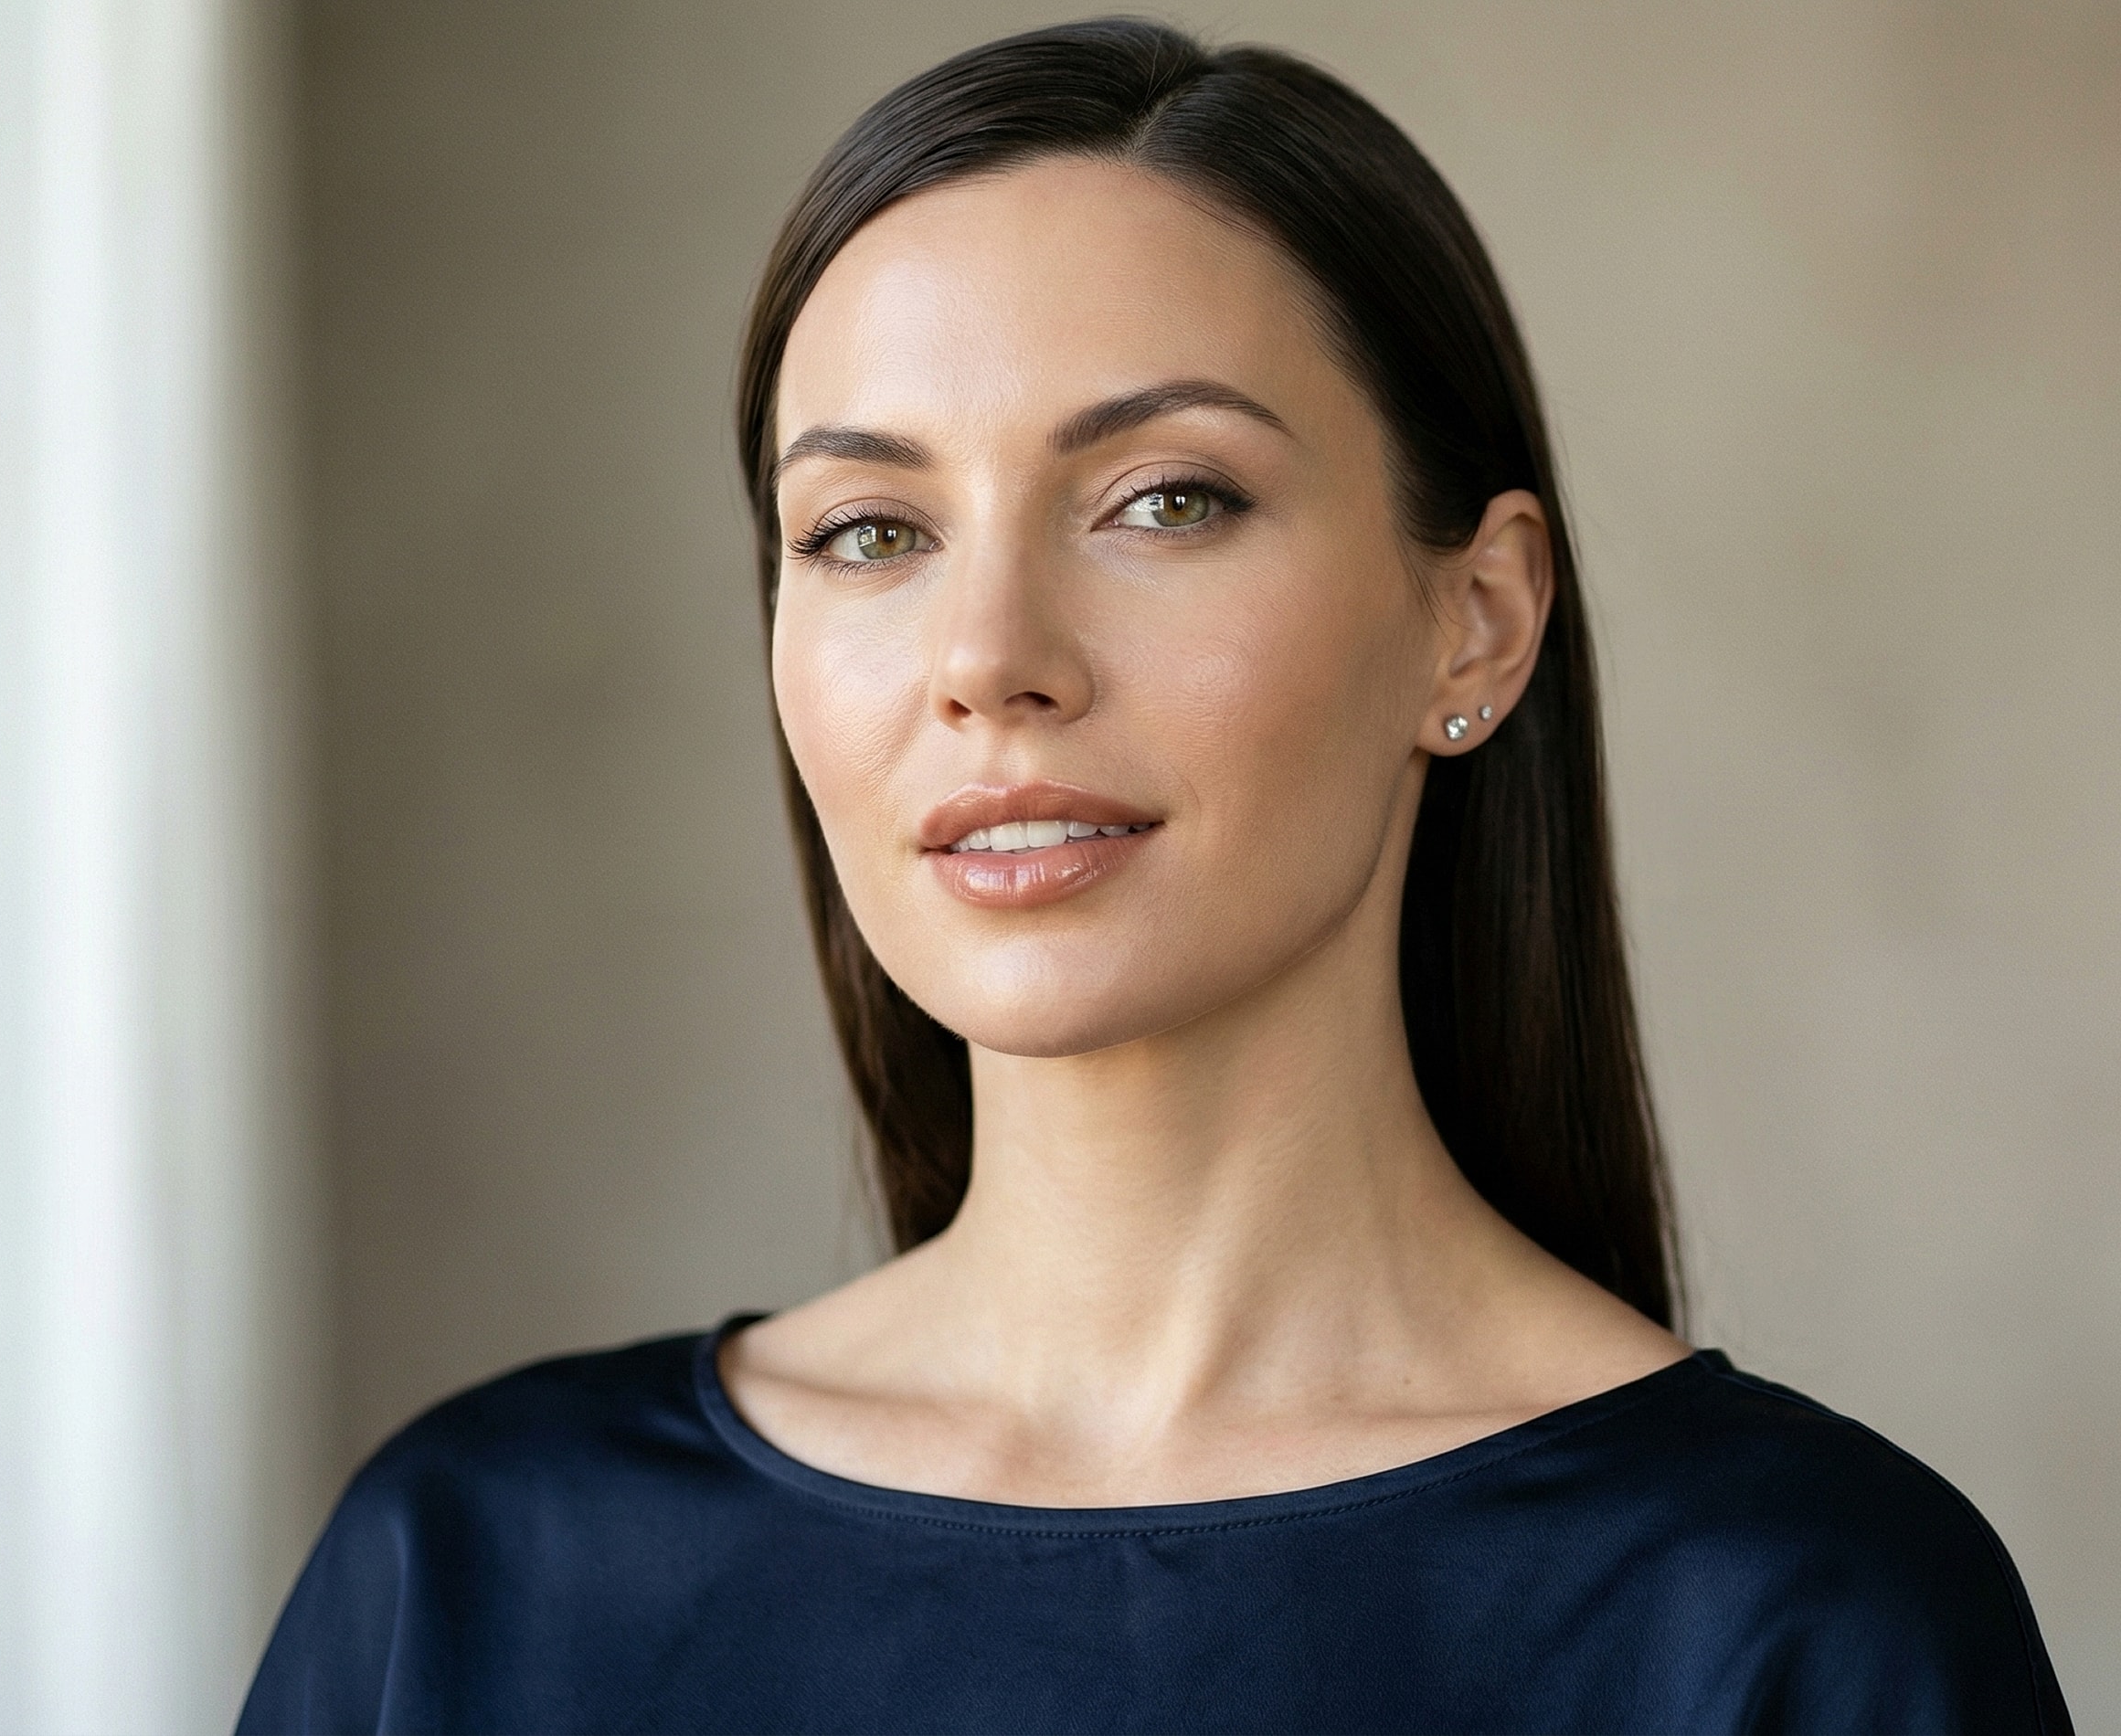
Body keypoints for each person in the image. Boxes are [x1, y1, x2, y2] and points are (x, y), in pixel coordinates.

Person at [240, 20, 2071, 1733]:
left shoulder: (1802, 1618)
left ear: (1475, 617)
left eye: (1163, 500)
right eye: (870, 530)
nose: (991, 653)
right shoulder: (469, 1572)